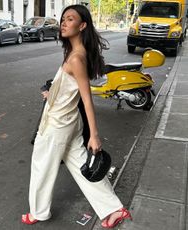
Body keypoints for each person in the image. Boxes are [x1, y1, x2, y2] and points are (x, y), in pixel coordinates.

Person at [22, 4, 132, 229]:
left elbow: (87, 98)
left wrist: (94, 135)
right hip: (69, 121)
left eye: (70, 19)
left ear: (82, 25)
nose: (63, 22)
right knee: (82, 165)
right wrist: (51, 92)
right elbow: (71, 89)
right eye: (63, 18)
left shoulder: (76, 58)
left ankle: (38, 212)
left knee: (42, 166)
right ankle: (113, 210)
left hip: (58, 124)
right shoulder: (75, 54)